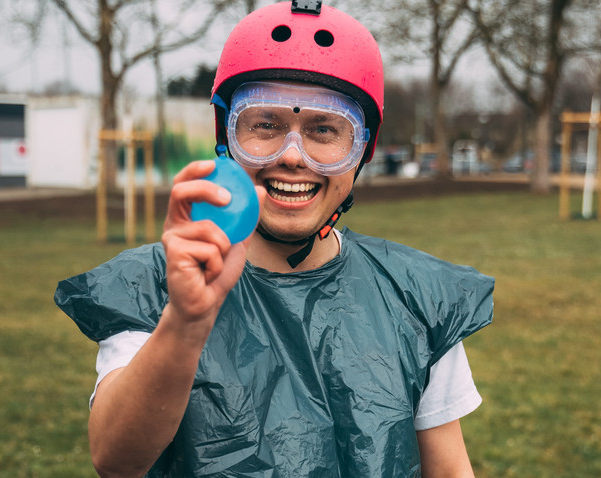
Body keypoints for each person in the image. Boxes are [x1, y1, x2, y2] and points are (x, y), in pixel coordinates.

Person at [55, 1, 493, 476]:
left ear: (362, 150)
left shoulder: (414, 297)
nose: (293, 156)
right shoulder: (155, 283)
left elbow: (450, 469)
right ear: (227, 137)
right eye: (264, 125)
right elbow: (115, 459)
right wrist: (184, 322)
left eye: (325, 129)